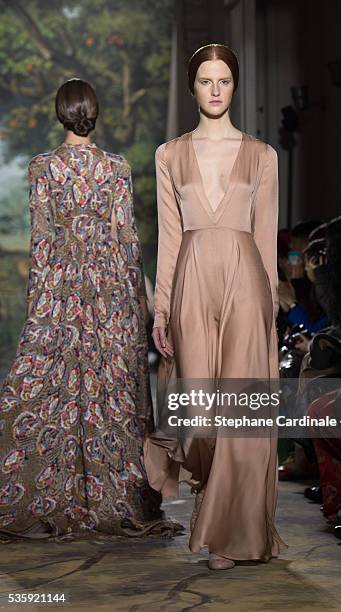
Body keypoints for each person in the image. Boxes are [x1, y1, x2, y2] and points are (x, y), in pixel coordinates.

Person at [0, 78, 182, 541]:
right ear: (94, 113)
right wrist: (141, 306)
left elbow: (42, 243)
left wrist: (39, 307)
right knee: (113, 398)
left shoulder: (44, 169)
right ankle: (113, 499)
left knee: (53, 393)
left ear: (60, 114)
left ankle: (54, 497)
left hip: (60, 295)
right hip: (109, 297)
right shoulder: (115, 169)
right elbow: (127, 242)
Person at [143, 44, 288, 569]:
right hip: (190, 283)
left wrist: (270, 304)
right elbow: (168, 236)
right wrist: (160, 310)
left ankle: (233, 532)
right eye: (206, 80)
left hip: (247, 284)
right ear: (192, 87)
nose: (215, 89)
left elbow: (266, 238)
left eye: (224, 80)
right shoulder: (169, 155)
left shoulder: (262, 155)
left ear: (235, 85)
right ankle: (211, 495)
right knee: (200, 411)